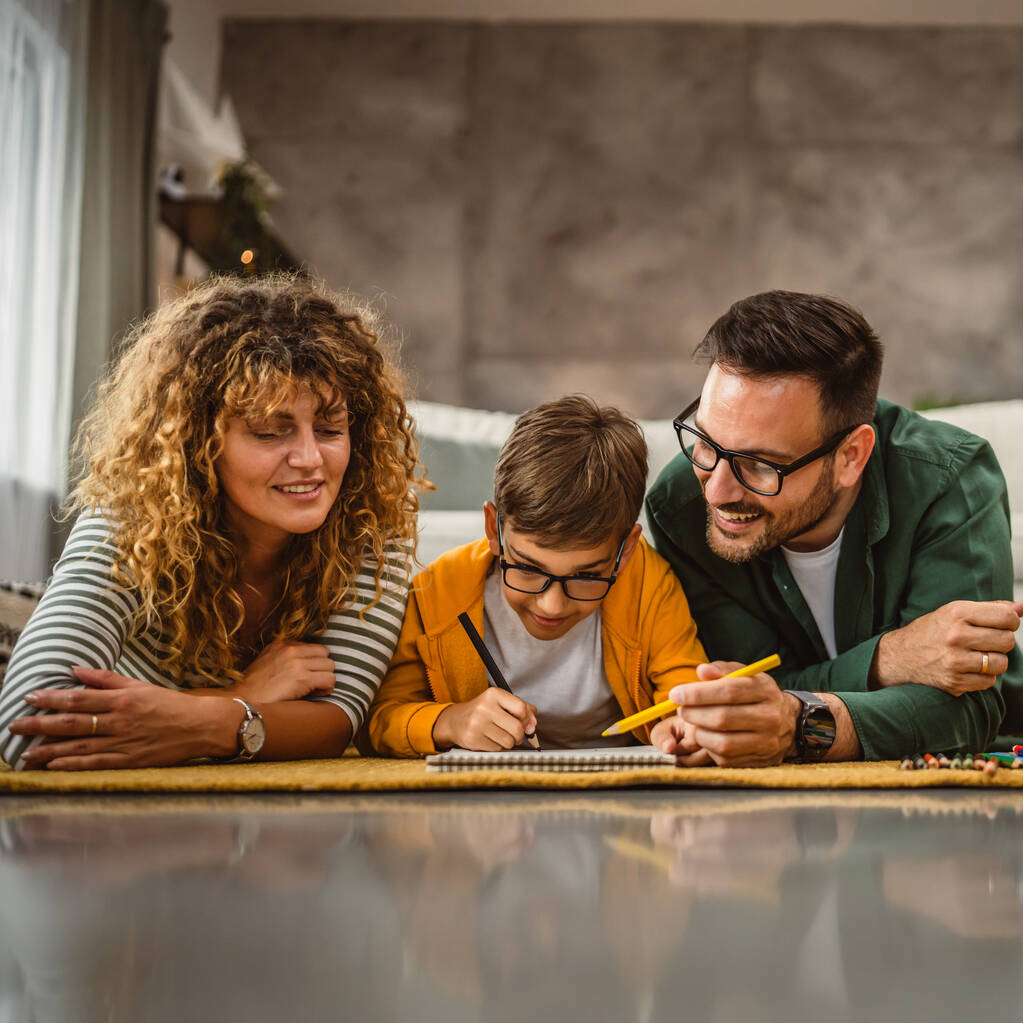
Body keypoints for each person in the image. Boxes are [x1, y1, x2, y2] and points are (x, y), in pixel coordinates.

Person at [0, 274, 419, 770]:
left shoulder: (368, 524)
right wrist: (241, 699)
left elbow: (338, 718)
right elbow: (25, 731)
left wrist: (202, 724)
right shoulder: (133, 521)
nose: (310, 459)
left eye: (330, 429)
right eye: (269, 433)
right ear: (198, 443)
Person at [645, 290, 1023, 766]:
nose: (717, 492)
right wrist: (891, 658)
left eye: (761, 464)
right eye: (705, 442)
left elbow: (968, 711)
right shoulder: (679, 506)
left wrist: (799, 724)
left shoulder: (947, 478)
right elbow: (744, 700)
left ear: (851, 457)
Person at [365, 395, 706, 756]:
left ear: (626, 551)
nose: (552, 604)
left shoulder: (648, 585)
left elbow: (684, 694)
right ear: (493, 530)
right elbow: (381, 719)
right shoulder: (439, 590)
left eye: (587, 576)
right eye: (528, 569)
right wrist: (451, 721)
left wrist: (682, 724)